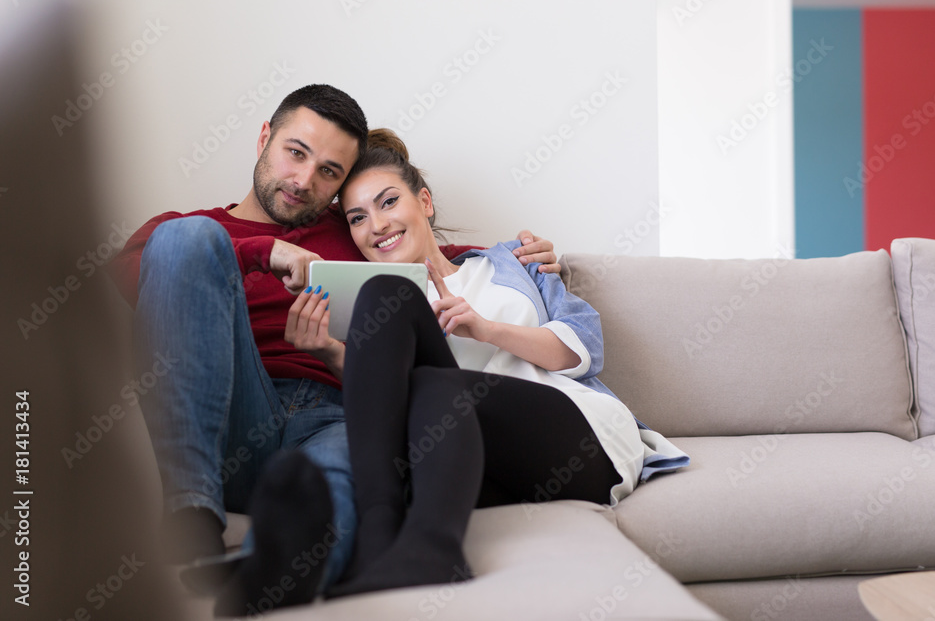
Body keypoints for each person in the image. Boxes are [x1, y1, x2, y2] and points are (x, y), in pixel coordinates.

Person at [111, 85, 562, 615]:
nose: (305, 181)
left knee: (345, 478)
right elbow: (140, 273)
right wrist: (263, 252)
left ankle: (277, 573)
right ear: (264, 137)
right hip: (233, 411)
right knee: (189, 239)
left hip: (337, 412)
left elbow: (429, 258)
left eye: (328, 172)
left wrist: (518, 259)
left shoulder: (350, 230)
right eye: (296, 153)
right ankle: (192, 519)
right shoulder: (192, 233)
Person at [283, 129, 690, 597]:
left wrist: (485, 328)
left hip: (577, 440)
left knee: (438, 386)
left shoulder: (512, 263)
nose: (376, 225)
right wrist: (330, 352)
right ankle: (380, 541)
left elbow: (584, 347)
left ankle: (426, 550)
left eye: (388, 202)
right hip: (472, 458)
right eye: (358, 218)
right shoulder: (380, 312)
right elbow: (390, 407)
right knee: (389, 297)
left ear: (424, 202)